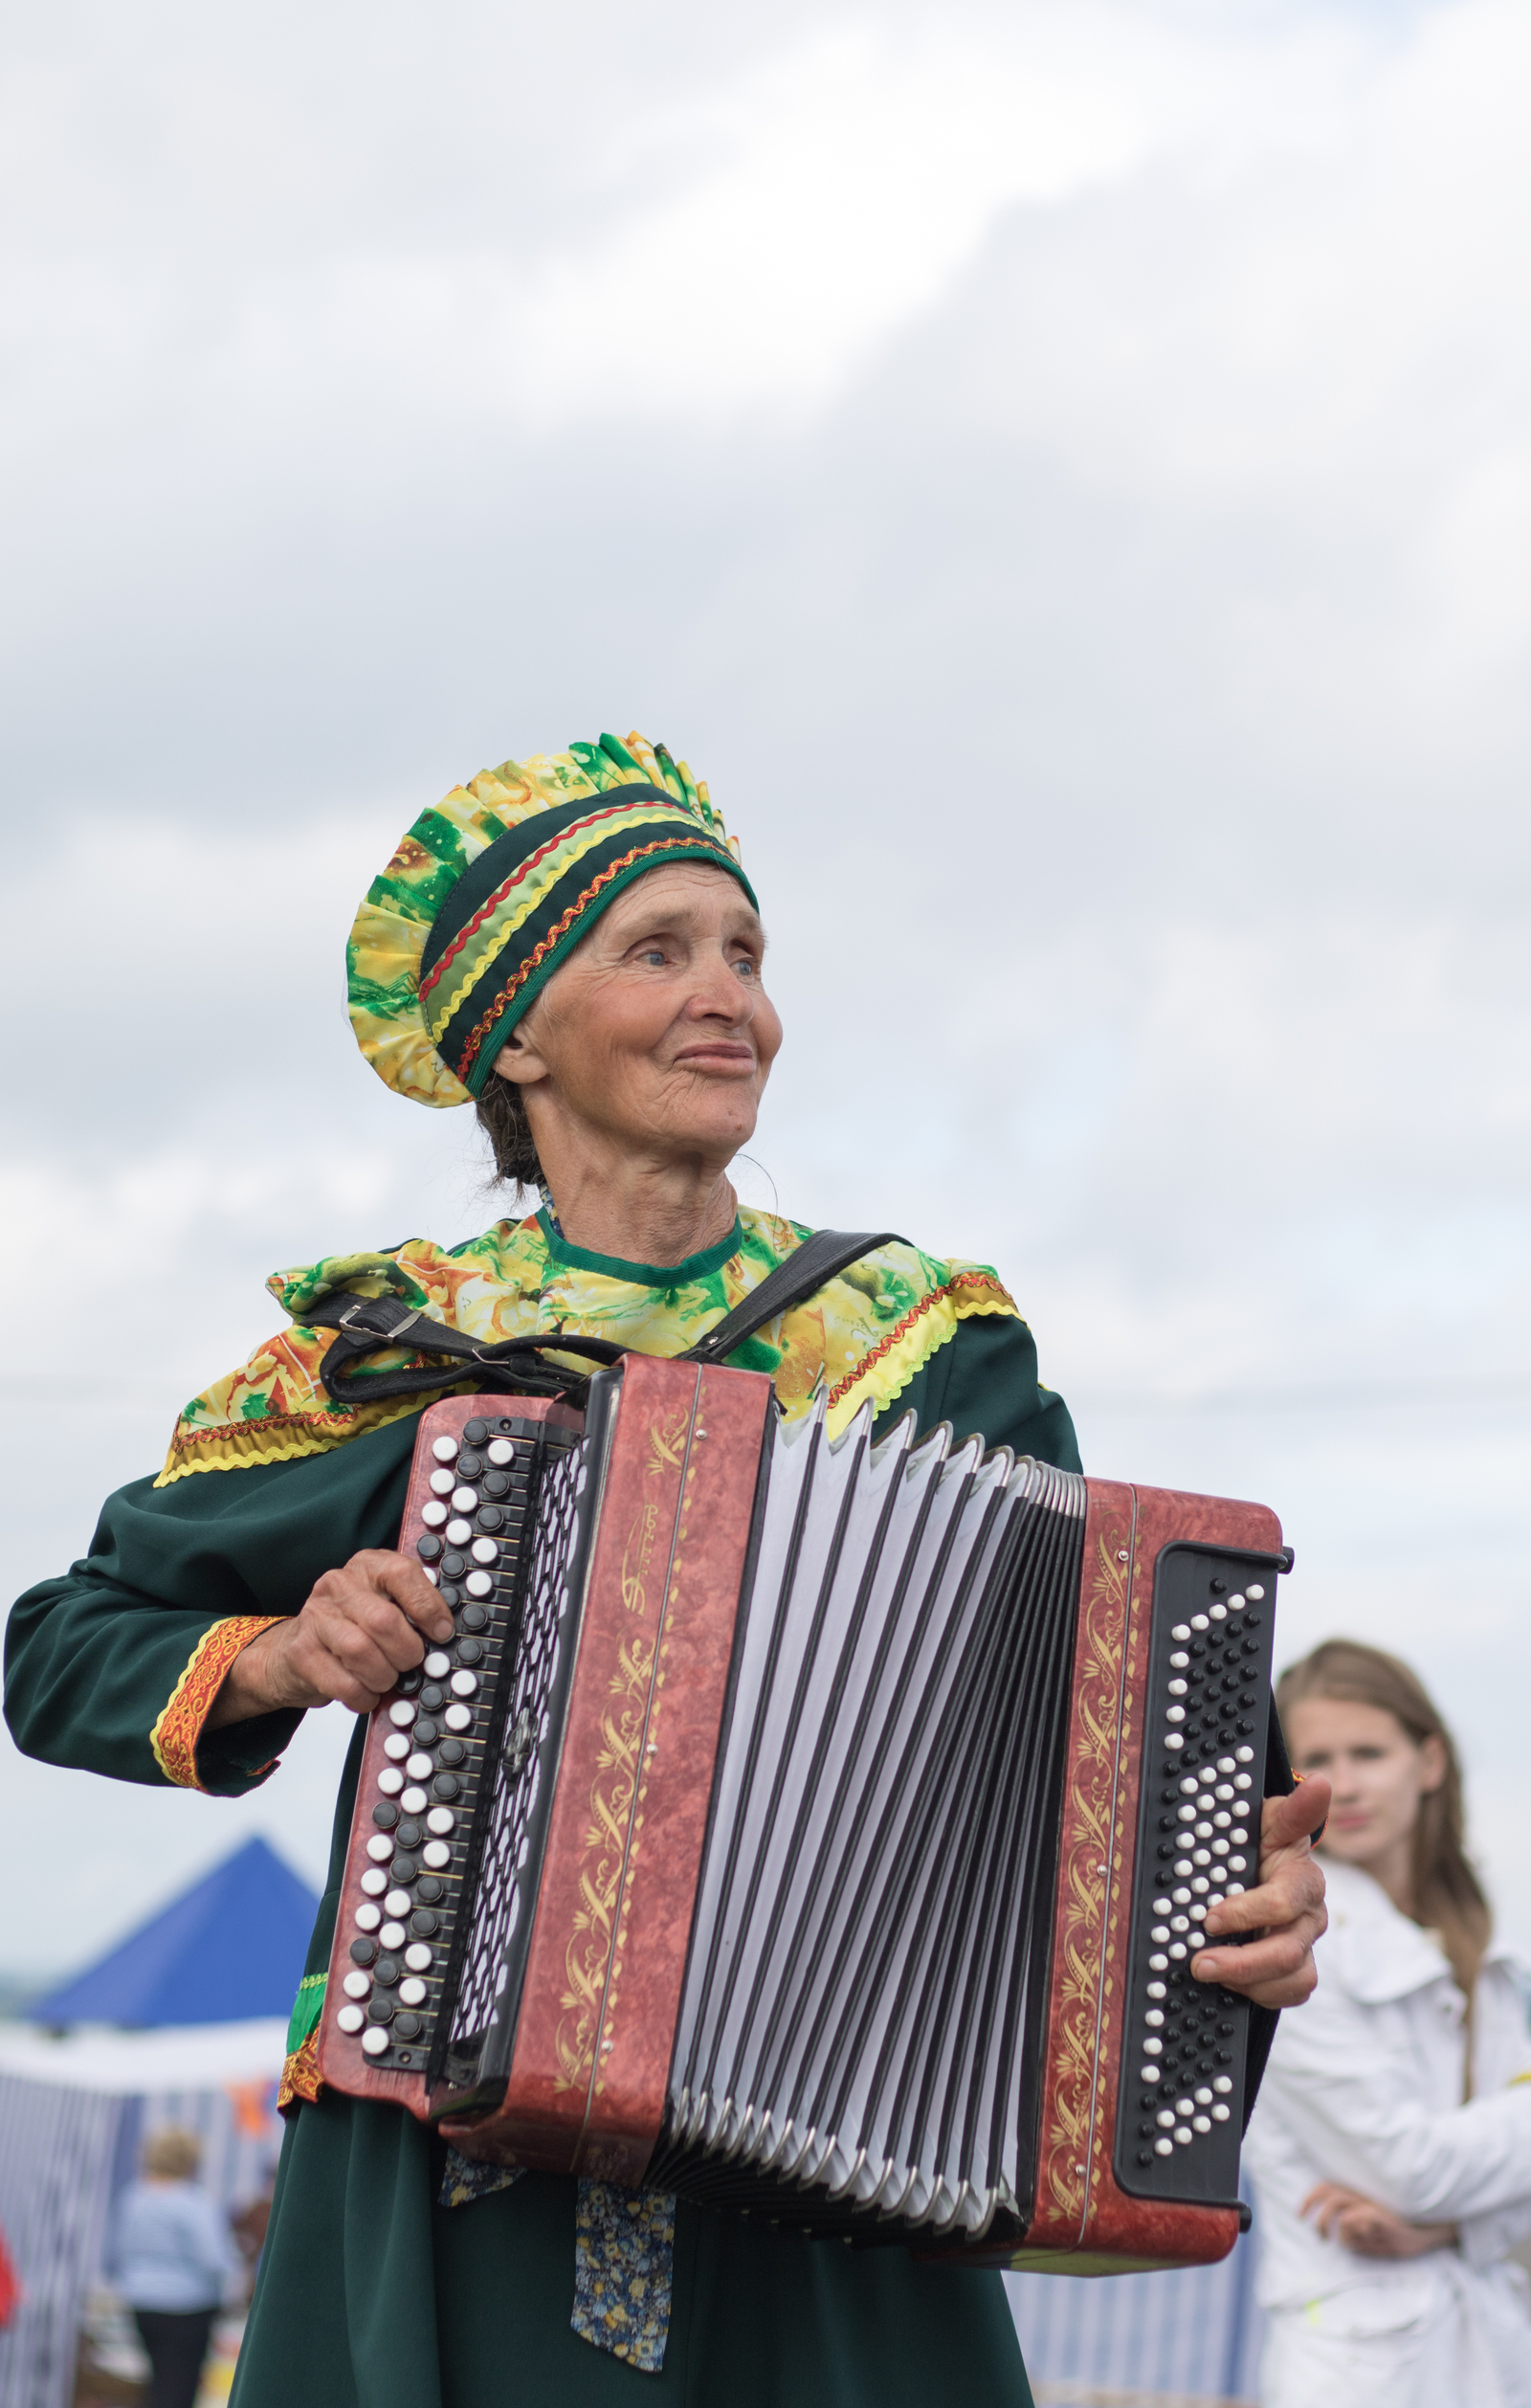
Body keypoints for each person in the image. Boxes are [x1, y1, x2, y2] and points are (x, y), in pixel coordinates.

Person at [4, 731, 1326, 2408]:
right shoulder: (396, 1358)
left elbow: (1132, 1739)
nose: (733, 999)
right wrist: (275, 1655)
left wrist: (1238, 1920)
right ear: (520, 1040)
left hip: (841, 2172)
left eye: (748, 954)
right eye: (659, 951)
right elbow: (57, 1646)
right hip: (449, 2151)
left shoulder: (933, 1354)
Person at [1245, 1639, 1531, 2406]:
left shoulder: (1485, 1948)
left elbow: (1435, 2195)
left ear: (1428, 1762)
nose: (1344, 1783)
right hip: (1357, 2374)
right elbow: (1407, 2169)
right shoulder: (1286, 1945)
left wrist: (1445, 2230)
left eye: (1369, 1751)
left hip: (1500, 2363)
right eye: (1315, 1760)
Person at [105, 2129, 237, 2408]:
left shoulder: (133, 2198)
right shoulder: (193, 2202)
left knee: (158, 2381)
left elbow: (115, 2255)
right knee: (179, 2388)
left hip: (141, 2302)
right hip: (188, 2306)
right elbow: (214, 2259)